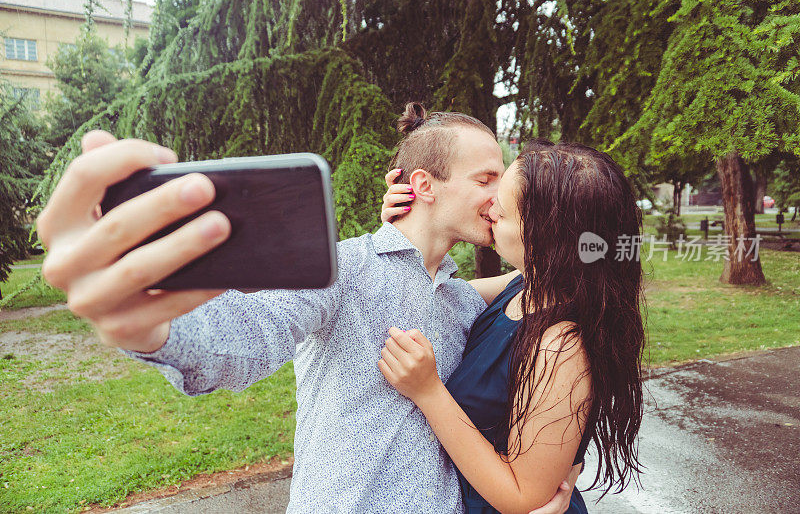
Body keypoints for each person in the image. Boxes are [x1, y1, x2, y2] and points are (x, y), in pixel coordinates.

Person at [36, 104, 579, 513]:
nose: (498, 198)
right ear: (423, 186)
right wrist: (154, 327)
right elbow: (250, 335)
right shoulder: (342, 269)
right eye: (486, 179)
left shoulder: (464, 302)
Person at [378, 140, 645, 513]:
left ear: (546, 238)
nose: (489, 210)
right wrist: (410, 223)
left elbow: (522, 497)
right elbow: (434, 294)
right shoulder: (526, 285)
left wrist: (428, 392)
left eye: (501, 212)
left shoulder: (560, 346)